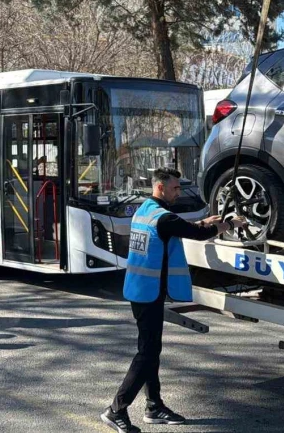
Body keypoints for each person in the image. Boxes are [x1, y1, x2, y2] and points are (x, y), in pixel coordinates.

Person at [100, 168, 247, 433]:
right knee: (146, 353)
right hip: (148, 293)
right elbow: (194, 233)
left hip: (139, 289)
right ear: (160, 188)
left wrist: (205, 221)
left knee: (151, 351)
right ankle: (116, 410)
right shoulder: (163, 217)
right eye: (175, 188)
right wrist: (228, 225)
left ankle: (154, 406)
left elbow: (180, 227)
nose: (179, 192)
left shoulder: (145, 209)